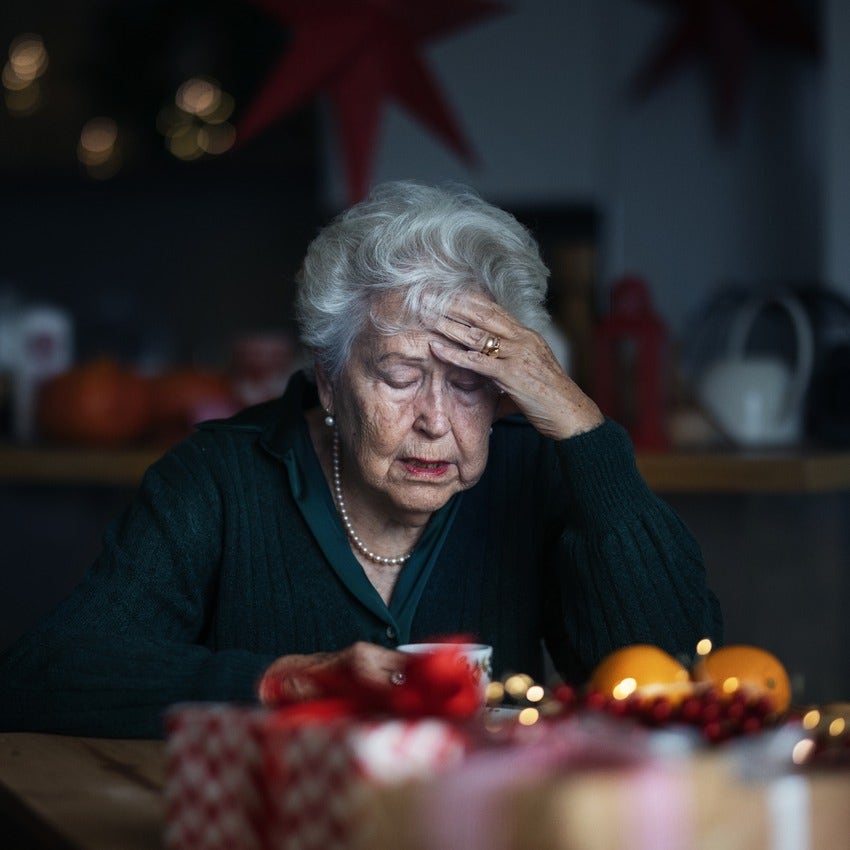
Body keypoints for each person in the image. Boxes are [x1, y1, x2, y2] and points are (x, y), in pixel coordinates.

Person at [0, 181, 722, 738]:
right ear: (329, 377)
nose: (436, 421)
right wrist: (287, 682)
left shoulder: (534, 471)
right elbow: (45, 677)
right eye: (401, 376)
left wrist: (582, 427)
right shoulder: (219, 479)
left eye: (470, 383)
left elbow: (677, 676)